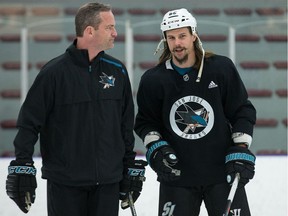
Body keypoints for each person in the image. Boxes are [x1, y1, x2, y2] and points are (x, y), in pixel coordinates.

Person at [5, 2, 147, 216]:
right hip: (65, 185)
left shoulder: (117, 71)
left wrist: (128, 166)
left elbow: (125, 126)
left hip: (108, 184)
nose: (115, 33)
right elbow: (29, 123)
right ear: (90, 31)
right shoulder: (53, 73)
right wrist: (23, 165)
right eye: (109, 27)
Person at [134, 8, 257, 216]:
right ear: (165, 40)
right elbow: (145, 122)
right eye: (171, 38)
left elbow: (242, 110)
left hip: (222, 174)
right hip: (176, 177)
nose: (177, 43)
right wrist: (156, 147)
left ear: (193, 35)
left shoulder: (220, 69)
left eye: (182, 36)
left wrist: (241, 147)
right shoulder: (153, 80)